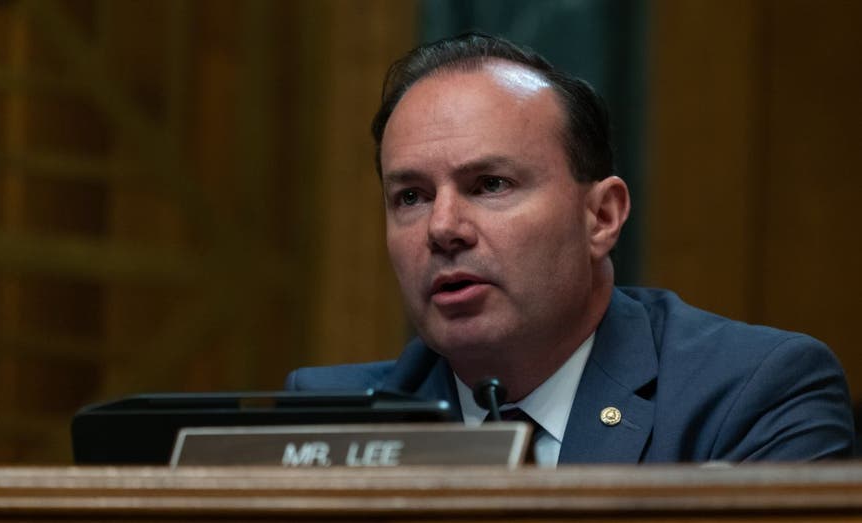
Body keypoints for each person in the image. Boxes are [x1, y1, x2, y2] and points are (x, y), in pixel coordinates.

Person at [285, 33, 855, 465]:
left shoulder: (753, 396)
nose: (443, 227)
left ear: (601, 217)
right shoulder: (329, 421)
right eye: (410, 196)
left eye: (491, 185)